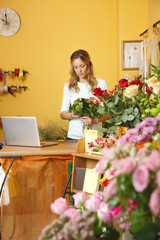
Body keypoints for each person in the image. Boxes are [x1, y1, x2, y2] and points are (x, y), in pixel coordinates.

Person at [60, 49, 110, 140]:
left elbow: (109, 112)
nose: (79, 70)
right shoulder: (69, 86)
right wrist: (72, 114)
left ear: (88, 65)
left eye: (82, 66)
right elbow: (63, 114)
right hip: (74, 137)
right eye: (75, 67)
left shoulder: (101, 84)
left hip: (95, 136)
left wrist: (95, 120)